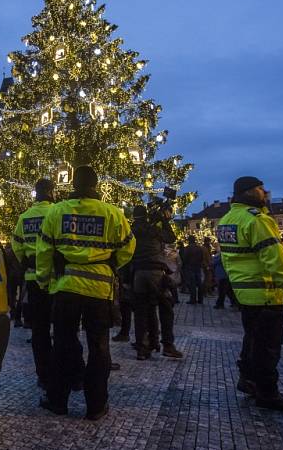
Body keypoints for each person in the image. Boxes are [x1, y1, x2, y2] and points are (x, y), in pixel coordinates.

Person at [36, 166, 135, 420]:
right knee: (99, 347)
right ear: (96, 185)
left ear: (73, 184)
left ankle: (58, 400)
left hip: (66, 287)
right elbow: (127, 248)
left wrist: (43, 281)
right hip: (99, 289)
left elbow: (44, 249)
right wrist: (111, 264)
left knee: (63, 344)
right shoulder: (112, 213)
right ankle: (96, 406)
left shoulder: (57, 211)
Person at [217, 176, 283, 412]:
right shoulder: (256, 220)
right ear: (247, 192)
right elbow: (274, 257)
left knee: (252, 340)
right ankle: (268, 393)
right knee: (267, 346)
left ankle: (248, 379)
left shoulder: (226, 220)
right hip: (264, 291)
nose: (264, 192)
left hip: (243, 291)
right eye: (259, 188)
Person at [11, 178, 56, 389]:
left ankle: (44, 375)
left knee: (39, 331)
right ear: (51, 192)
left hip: (33, 279)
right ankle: (66, 373)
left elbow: (16, 246)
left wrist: (28, 261)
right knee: (64, 329)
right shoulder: (56, 212)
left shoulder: (25, 217)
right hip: (56, 280)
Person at [130, 205, 184, 360]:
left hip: (138, 273)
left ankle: (142, 348)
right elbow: (171, 237)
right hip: (155, 273)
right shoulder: (152, 230)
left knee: (142, 312)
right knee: (166, 308)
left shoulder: (131, 231)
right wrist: (163, 220)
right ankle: (168, 345)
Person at [182, 236, 206, 304]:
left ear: (189, 240)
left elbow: (185, 258)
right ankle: (200, 299)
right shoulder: (199, 248)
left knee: (192, 284)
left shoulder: (188, 248)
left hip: (190, 267)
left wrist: (184, 265)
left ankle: (193, 299)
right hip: (197, 267)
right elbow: (201, 257)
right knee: (199, 283)